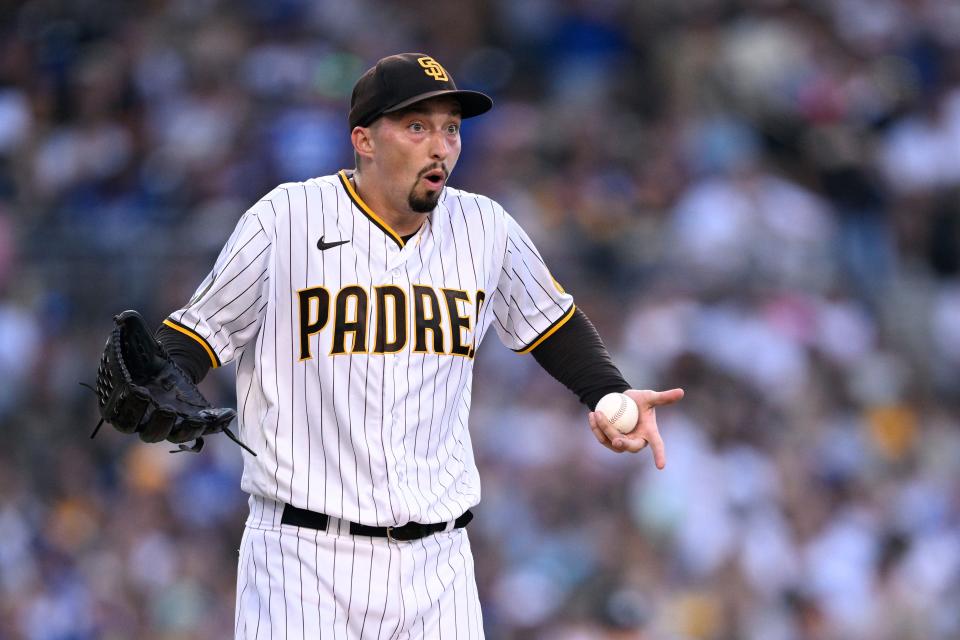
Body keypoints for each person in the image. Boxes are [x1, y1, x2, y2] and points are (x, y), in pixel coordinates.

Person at [152, 52, 683, 639]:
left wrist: (607, 391)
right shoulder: (287, 220)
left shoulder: (484, 227)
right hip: (301, 557)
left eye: (451, 128)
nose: (441, 146)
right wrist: (167, 378)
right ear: (364, 140)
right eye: (417, 126)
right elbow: (201, 332)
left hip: (438, 563)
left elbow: (552, 324)